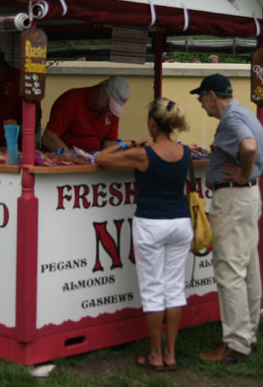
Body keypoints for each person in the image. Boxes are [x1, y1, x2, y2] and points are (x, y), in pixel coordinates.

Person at [94, 97, 193, 371]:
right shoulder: (184, 152)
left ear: (152, 123)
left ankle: (155, 355)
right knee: (174, 289)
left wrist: (125, 144)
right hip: (181, 222)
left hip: (151, 222)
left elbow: (101, 158)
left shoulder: (143, 154)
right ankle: (171, 354)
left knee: (152, 290)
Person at [191, 74, 263, 363]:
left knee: (229, 271)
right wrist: (252, 167)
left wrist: (245, 171)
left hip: (234, 196)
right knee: (248, 267)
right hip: (248, 198)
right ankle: (245, 333)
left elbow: (251, 146)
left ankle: (236, 343)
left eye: (201, 98)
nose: (202, 105)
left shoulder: (230, 118)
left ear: (212, 95)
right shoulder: (244, 112)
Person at [42, 76, 130, 154]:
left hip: (94, 163)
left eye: (114, 108)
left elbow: (110, 143)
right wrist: (72, 157)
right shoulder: (71, 100)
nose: (109, 110)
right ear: (102, 90)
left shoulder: (111, 111)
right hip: (64, 162)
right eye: (108, 104)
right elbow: (49, 138)